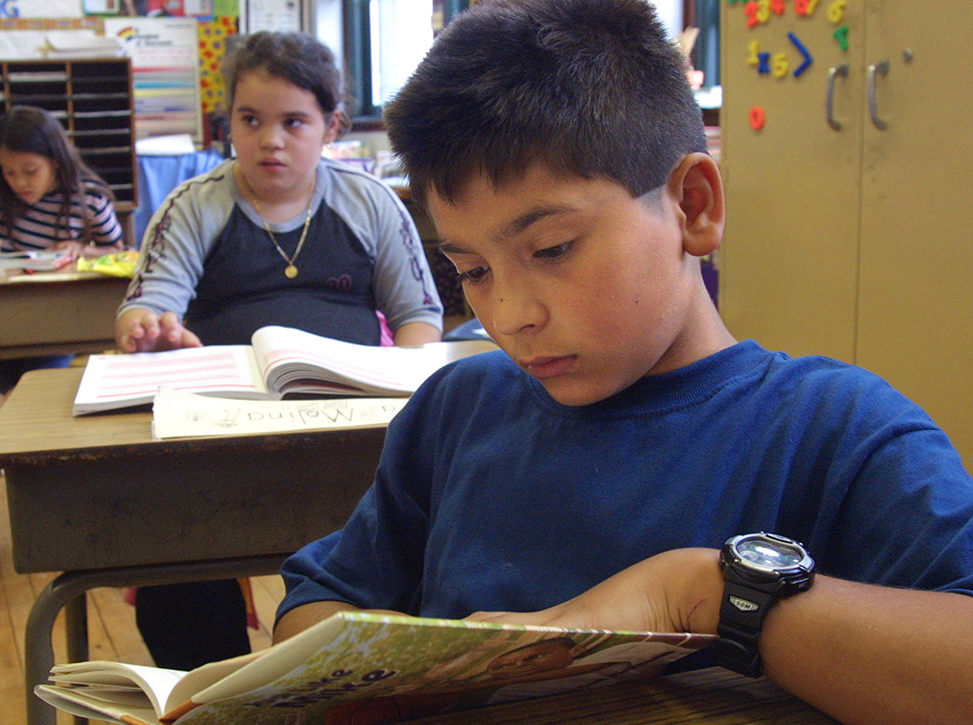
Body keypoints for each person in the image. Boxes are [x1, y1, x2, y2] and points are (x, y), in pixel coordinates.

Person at [272, 1, 973, 722]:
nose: (510, 315)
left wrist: (704, 593)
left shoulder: (839, 431)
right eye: (473, 271)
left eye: (552, 249)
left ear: (693, 206)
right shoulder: (458, 409)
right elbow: (317, 600)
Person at [115, 31, 443, 670]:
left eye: (294, 121)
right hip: (216, 440)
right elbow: (148, 300)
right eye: (251, 120)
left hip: (350, 433)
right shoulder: (193, 206)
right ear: (228, 124)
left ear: (331, 126)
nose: (271, 140)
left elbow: (420, 319)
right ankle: (214, 691)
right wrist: (147, 328)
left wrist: (399, 391)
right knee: (176, 582)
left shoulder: (370, 203)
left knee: (394, 562)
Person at [0, 105, 125, 395]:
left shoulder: (88, 196)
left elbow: (118, 251)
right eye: (9, 172)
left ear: (56, 161)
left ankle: (32, 431)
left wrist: (81, 249)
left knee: (39, 377)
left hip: (63, 319)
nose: (19, 182)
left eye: (30, 171)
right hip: (7, 317)